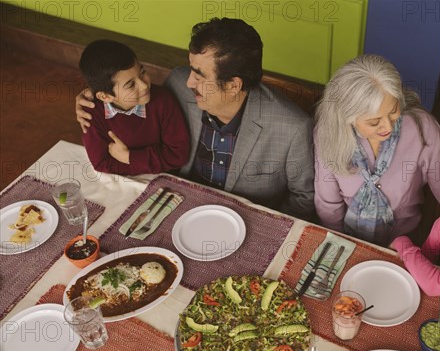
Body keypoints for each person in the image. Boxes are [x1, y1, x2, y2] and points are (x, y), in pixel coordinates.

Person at [76, 18, 315, 220]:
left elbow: (304, 199)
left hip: (246, 223)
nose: (189, 82)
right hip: (176, 209)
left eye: (199, 75)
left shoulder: (292, 128)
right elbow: (129, 101)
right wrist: (92, 100)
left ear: (233, 85)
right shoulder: (178, 85)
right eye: (191, 69)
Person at [314, 54, 440, 246]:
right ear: (347, 118)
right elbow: (328, 205)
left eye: (394, 111)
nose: (387, 126)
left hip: (404, 242)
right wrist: (337, 243)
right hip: (347, 238)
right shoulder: (329, 133)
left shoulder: (422, 128)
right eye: (374, 122)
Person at [78, 39, 190, 175]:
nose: (144, 85)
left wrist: (129, 157)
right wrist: (147, 163)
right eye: (131, 85)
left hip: (163, 178)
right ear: (105, 96)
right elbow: (101, 163)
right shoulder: (91, 113)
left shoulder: (163, 100)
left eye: (142, 73)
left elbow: (178, 155)